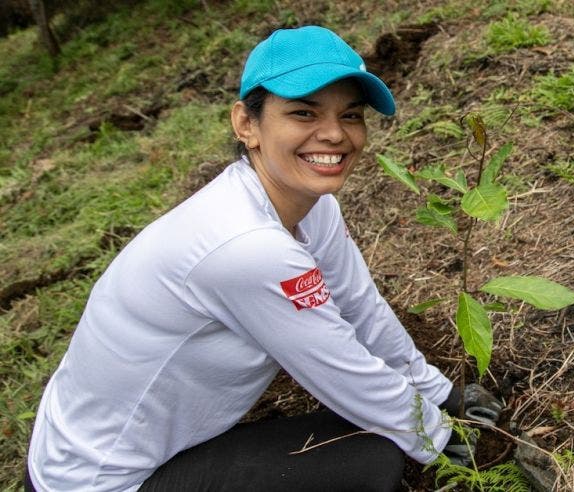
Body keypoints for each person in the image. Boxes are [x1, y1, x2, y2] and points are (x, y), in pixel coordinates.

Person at [25, 26, 502, 491]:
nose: (334, 135)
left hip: (113, 443)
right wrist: (440, 438)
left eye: (351, 116)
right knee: (372, 460)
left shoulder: (311, 207)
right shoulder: (246, 246)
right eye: (303, 113)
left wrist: (440, 392)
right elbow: (338, 365)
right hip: (99, 479)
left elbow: (359, 307)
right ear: (246, 124)